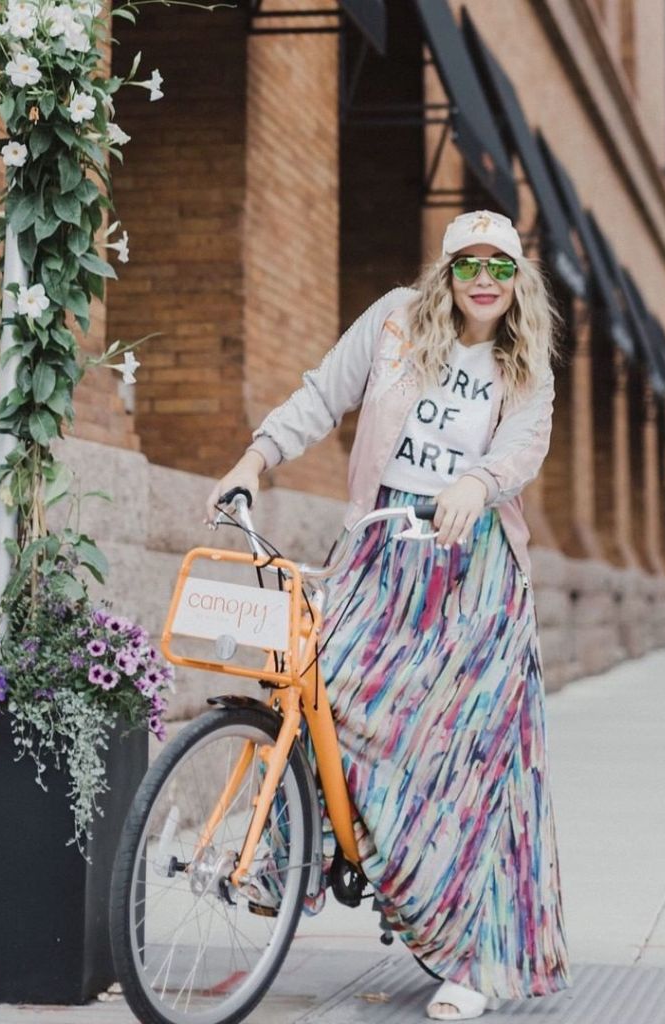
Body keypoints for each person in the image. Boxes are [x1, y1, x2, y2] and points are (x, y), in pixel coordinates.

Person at [207, 210, 573, 1019]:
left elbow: (524, 447)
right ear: (447, 271)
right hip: (382, 548)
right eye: (469, 263)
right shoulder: (394, 324)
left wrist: (478, 484)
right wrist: (253, 460)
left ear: (518, 279)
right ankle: (295, 858)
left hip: (473, 569)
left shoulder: (524, 362)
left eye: (500, 267)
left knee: (470, 760)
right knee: (321, 690)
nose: (484, 279)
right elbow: (321, 394)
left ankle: (474, 960)